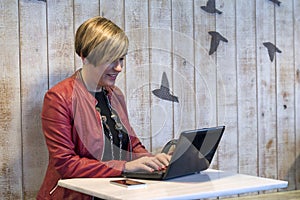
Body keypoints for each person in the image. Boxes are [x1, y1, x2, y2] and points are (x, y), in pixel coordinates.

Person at [37, 16, 171, 200]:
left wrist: (155, 161)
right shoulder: (59, 98)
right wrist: (124, 167)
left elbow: (131, 144)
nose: (119, 68)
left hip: (115, 194)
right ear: (85, 56)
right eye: (111, 60)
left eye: (121, 59)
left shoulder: (116, 95)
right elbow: (66, 164)